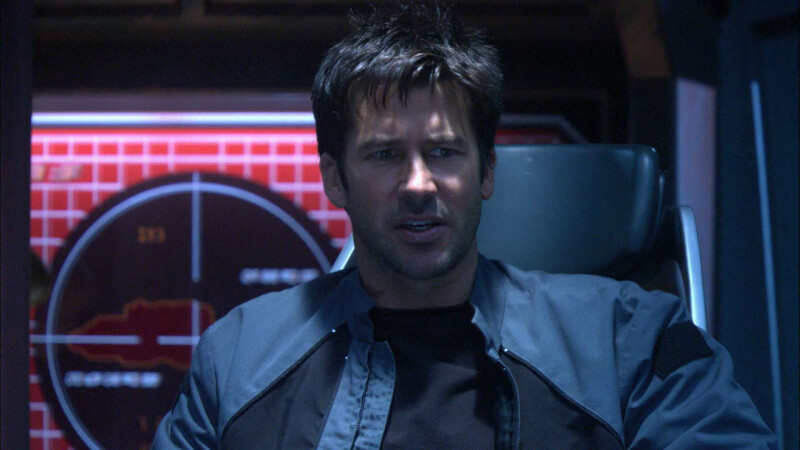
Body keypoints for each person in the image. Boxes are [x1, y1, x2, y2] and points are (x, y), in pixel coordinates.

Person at [153, 3, 775, 448]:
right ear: (335, 179)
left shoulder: (630, 340)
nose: (419, 184)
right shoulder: (238, 357)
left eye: (444, 152)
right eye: (384, 154)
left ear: (486, 172)